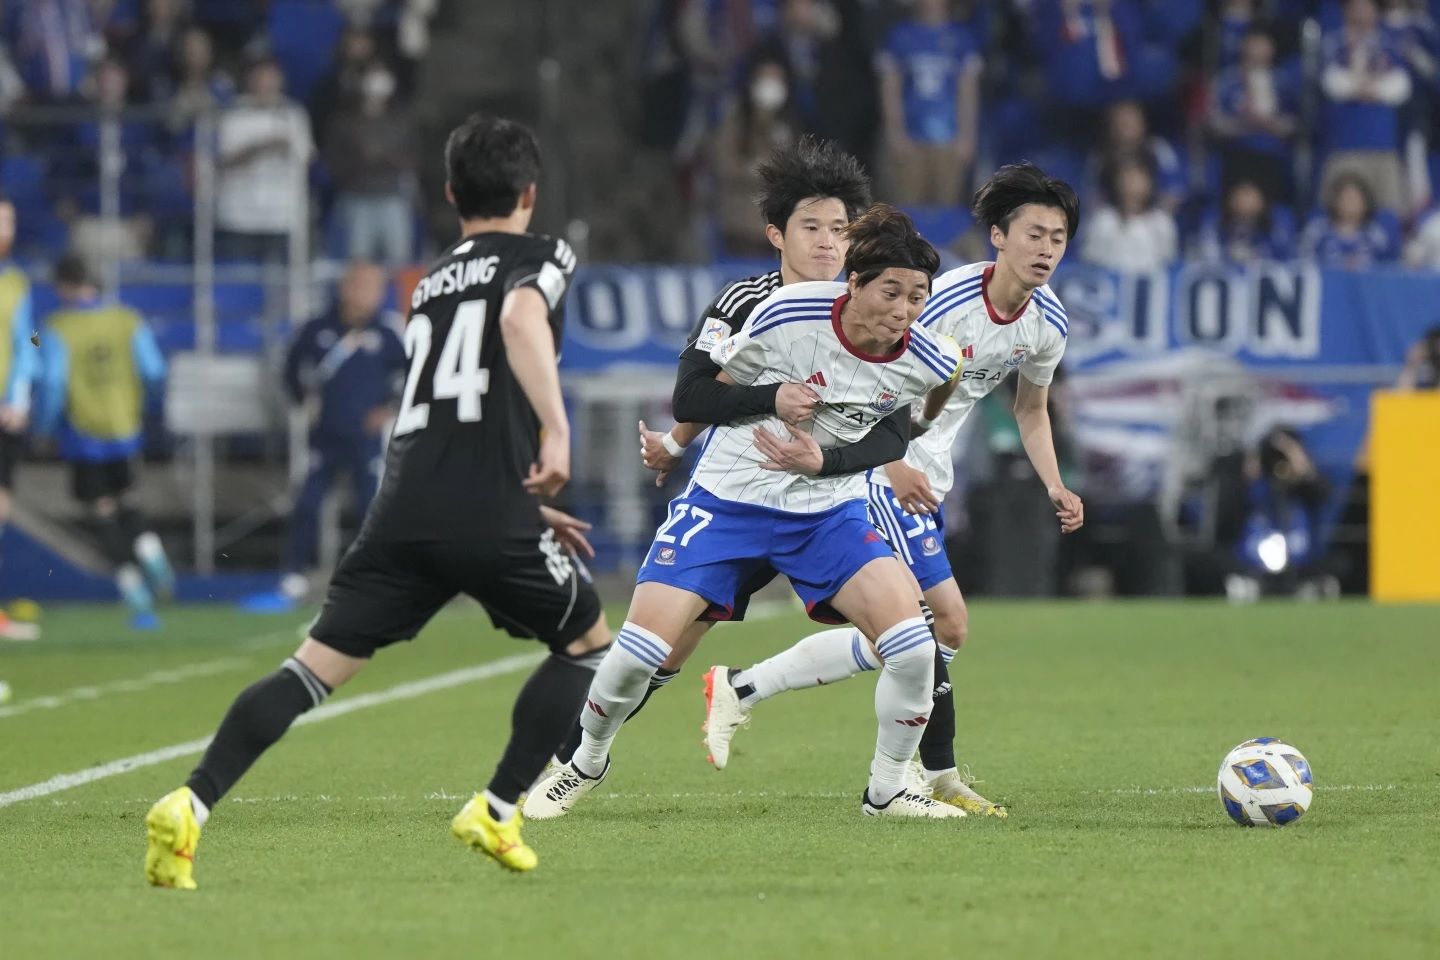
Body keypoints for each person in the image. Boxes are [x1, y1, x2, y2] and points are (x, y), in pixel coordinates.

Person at [142, 114, 612, 888]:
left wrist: (518, 499)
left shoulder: (428, 283)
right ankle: (497, 808)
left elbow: (459, 410)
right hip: (485, 513)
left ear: (451, 193)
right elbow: (519, 317)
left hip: (402, 512)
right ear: (530, 194)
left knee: (309, 671)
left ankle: (190, 803)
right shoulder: (542, 254)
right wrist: (556, 435)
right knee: (589, 647)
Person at [535, 205, 969, 824]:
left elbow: (897, 431)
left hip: (826, 513)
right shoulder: (784, 314)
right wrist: (759, 403)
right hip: (729, 503)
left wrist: (824, 461)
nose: (904, 310)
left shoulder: (926, 354)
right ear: (854, 284)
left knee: (914, 647)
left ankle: (887, 791)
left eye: (917, 296)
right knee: (637, 655)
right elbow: (695, 393)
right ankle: (585, 763)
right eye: (891, 292)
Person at [703, 163, 1084, 811]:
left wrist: (1055, 483)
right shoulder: (942, 301)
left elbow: (1030, 408)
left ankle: (744, 688)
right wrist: (887, 462)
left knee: (914, 637)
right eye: (1034, 234)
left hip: (929, 476)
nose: (1046, 249)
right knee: (946, 622)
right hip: (883, 470)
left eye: (1058, 238)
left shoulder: (1047, 322)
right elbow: (865, 371)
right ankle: (925, 780)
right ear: (998, 237)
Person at [249, 261, 406, 609]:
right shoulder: (318, 327)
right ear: (344, 286)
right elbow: (291, 367)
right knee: (307, 502)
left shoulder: (388, 331)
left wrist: (389, 409)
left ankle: (372, 578)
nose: (365, 293)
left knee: (371, 507)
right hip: (325, 435)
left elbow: (413, 373)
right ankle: (294, 576)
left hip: (367, 438)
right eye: (359, 284)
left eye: (373, 286)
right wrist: (303, 400)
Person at [33, 253, 174, 629]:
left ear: (63, 285)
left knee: (102, 509)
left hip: (84, 433)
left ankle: (134, 590)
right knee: (128, 498)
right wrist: (141, 406)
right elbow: (154, 370)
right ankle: (152, 551)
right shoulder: (127, 319)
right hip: (124, 427)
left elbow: (52, 382)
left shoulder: (56, 327)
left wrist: (44, 428)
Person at [877, 0, 982, 206]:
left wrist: (967, 136)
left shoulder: (962, 38)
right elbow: (890, 88)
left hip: (949, 141)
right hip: (910, 140)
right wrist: (895, 132)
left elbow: (967, 91)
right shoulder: (899, 36)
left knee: (946, 208)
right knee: (906, 210)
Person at [215, 56, 314, 264]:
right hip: (239, 216)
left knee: (280, 280)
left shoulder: (294, 113)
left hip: (282, 215)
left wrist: (285, 148)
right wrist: (261, 147)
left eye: (271, 77)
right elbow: (224, 161)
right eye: (260, 77)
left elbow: (306, 157)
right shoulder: (233, 113)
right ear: (250, 79)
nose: (266, 83)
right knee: (239, 279)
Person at [0, 197, 41, 642]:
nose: (4, 230)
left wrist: (20, 395)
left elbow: (30, 338)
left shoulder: (15, 283)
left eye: (9, 222)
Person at [1081, 158, 1177, 271]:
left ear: (1149, 183)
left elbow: (1169, 265)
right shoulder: (1102, 221)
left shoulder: (1162, 223)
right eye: (1127, 179)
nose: (1132, 186)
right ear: (1116, 183)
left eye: (1138, 179)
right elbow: (1090, 264)